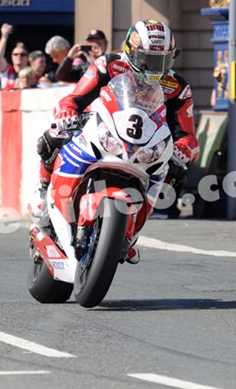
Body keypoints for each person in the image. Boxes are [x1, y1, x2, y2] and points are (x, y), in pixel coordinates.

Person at [29, 20, 199, 261]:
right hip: (101, 126)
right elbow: (75, 98)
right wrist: (68, 113)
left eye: (161, 61)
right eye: (147, 60)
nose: (153, 68)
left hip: (147, 144)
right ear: (131, 51)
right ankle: (44, 185)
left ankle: (129, 232)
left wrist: (184, 149)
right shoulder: (108, 64)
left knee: (178, 172)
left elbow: (189, 136)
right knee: (53, 135)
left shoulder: (178, 87)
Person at [0, 23, 29, 90]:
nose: (19, 56)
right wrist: (4, 36)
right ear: (11, 57)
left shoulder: (31, 74)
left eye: (22, 54)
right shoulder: (7, 72)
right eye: (15, 54)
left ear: (28, 58)